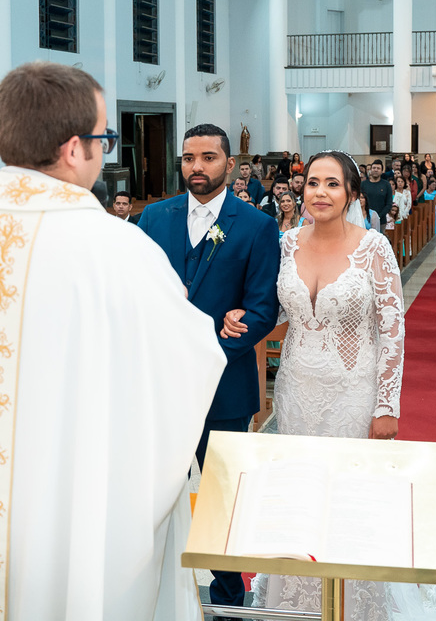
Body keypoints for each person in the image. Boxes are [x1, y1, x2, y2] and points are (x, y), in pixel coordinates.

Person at [0, 62, 225, 620]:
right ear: (75, 148)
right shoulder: (114, 247)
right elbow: (193, 361)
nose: (104, 153)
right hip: (54, 516)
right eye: (104, 139)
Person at [221, 150, 403, 620]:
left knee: (344, 500)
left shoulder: (374, 248)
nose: (320, 192)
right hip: (297, 390)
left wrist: (386, 405)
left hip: (353, 393)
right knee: (298, 499)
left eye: (333, 184)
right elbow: (278, 307)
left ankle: (354, 605)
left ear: (351, 194)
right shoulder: (284, 244)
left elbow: (392, 330)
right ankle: (293, 604)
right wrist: (245, 315)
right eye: (313, 183)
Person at [138, 122, 281, 615]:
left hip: (224, 387)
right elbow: (137, 294)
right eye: (188, 158)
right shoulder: (153, 219)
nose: (196, 167)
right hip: (160, 388)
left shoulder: (258, 226)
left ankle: (228, 601)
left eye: (208, 158)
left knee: (223, 500)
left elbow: (263, 307)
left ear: (230, 165)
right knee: (154, 498)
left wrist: (215, 347)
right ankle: (150, 592)